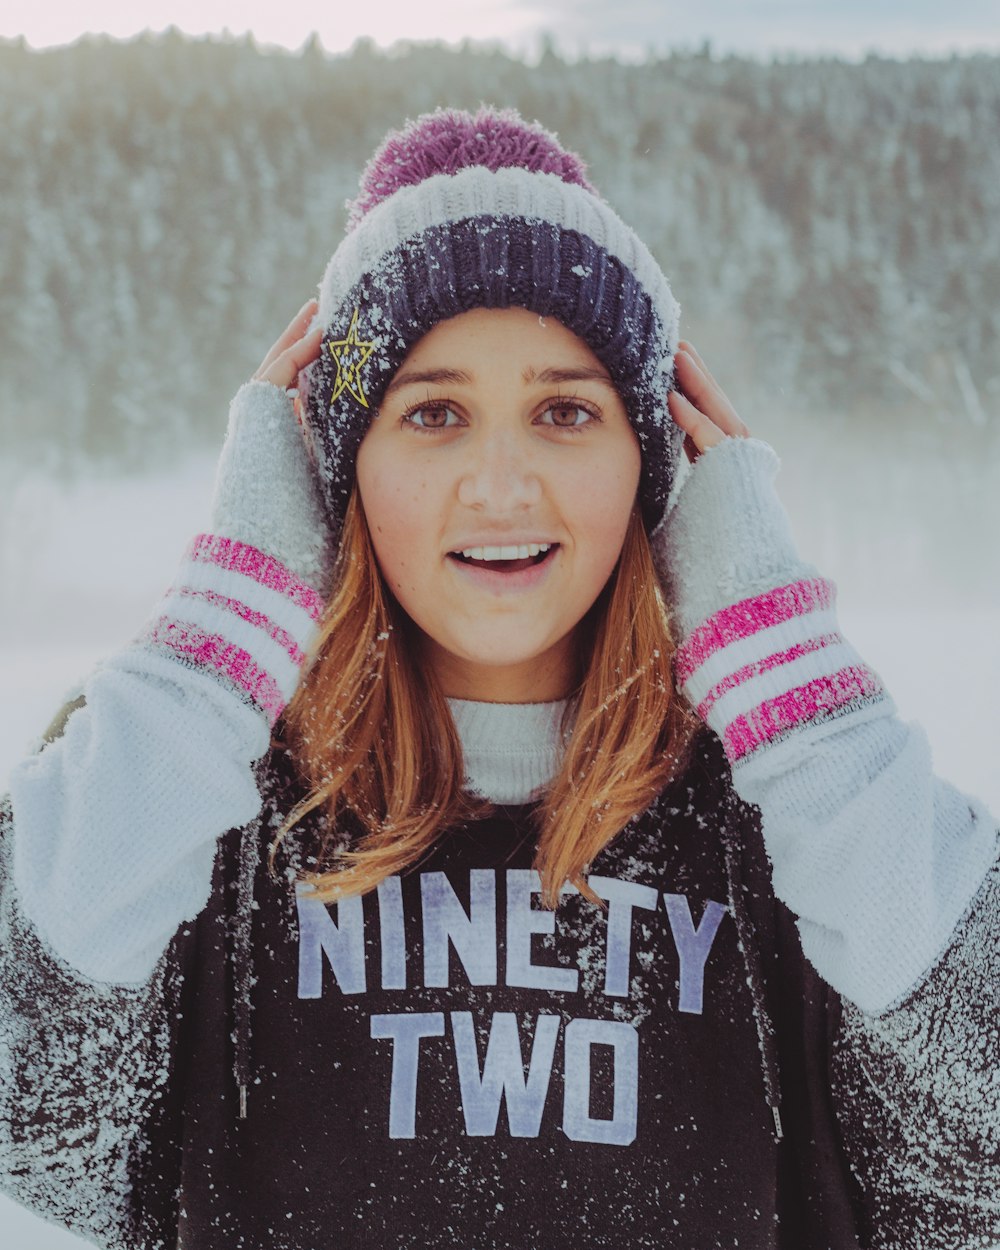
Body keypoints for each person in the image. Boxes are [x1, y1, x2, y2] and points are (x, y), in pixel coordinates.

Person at [0, 105, 997, 1250]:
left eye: (564, 410)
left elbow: (973, 1156)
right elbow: (33, 1116)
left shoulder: (796, 817)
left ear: (652, 461)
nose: (501, 481)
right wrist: (221, 638)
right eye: (432, 413)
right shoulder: (183, 787)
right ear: (335, 471)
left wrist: (799, 700)